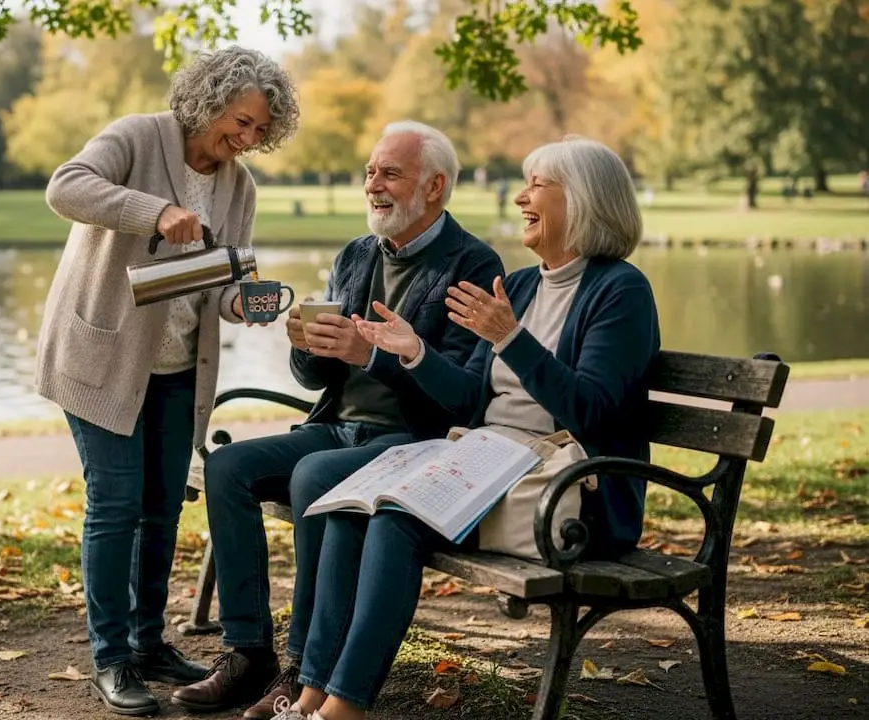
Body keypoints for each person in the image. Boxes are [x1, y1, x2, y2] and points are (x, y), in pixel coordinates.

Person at [270, 136, 661, 720]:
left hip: (569, 492)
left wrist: (512, 339)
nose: (522, 198)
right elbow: (471, 399)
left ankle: (343, 710)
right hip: (489, 460)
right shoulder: (524, 285)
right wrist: (414, 352)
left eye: (537, 187)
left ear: (580, 201)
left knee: (397, 516)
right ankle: (308, 698)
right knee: (353, 503)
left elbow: (594, 412)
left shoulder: (620, 291)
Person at [170, 122, 504, 719]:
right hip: (336, 427)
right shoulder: (356, 253)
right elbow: (315, 380)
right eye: (370, 172)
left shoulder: (472, 263)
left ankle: (302, 667)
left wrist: (373, 354)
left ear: (435, 187)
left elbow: (463, 398)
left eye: (390, 174)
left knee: (315, 476)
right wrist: (305, 345)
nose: (373, 185)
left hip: (413, 443)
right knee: (227, 468)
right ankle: (248, 653)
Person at [37, 45, 300, 716]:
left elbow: (224, 283)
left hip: (180, 366)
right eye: (238, 122)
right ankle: (112, 658)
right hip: (102, 358)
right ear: (211, 100)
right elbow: (65, 186)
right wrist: (152, 212)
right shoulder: (138, 136)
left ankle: (148, 643)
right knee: (116, 503)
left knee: (161, 508)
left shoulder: (240, 187)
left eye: (257, 132)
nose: (244, 140)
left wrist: (248, 301)